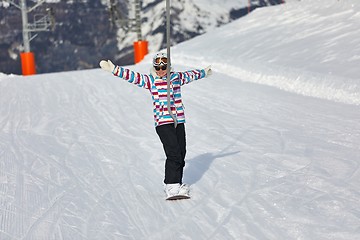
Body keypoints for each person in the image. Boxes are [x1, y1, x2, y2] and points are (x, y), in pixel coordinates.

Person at [99, 52, 212, 199]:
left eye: (163, 67)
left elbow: (191, 75)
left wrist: (204, 72)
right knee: (173, 153)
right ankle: (171, 186)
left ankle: (177, 183)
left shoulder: (176, 78)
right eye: (157, 67)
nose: (160, 70)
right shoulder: (151, 80)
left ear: (168, 66)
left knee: (181, 152)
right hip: (163, 122)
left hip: (178, 120)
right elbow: (133, 77)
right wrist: (115, 69)